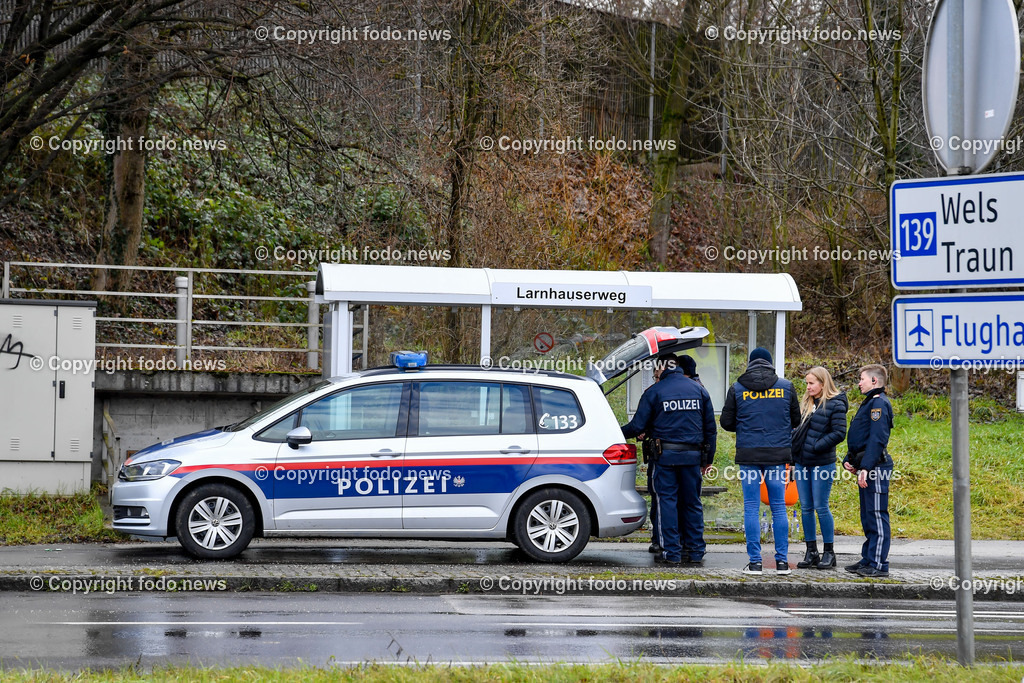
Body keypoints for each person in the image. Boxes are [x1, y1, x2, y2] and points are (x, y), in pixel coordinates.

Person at [622, 354, 716, 565]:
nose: (655, 373)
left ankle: (671, 552)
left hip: (664, 458)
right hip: (692, 458)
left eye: (656, 369)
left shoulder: (655, 391)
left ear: (662, 368)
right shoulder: (699, 390)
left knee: (667, 503)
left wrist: (614, 432)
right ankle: (695, 551)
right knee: (692, 503)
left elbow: (637, 427)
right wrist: (707, 459)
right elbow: (710, 429)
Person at [720, 347, 801, 576]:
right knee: (778, 507)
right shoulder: (785, 387)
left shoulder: (737, 388)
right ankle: (782, 563)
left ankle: (755, 563)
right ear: (770, 363)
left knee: (751, 508)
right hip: (776, 455)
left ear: (750, 363)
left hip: (749, 455)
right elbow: (796, 419)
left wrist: (745, 425)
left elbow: (726, 422)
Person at [792, 366, 848, 570]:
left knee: (821, 507)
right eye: (806, 383)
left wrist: (816, 446)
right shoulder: (807, 403)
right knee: (806, 507)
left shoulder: (836, 404)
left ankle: (829, 553)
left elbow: (840, 433)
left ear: (823, 383)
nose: (807, 387)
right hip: (801, 462)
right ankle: (811, 551)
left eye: (811, 383)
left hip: (822, 462)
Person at [843, 364, 895, 578]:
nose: (859, 382)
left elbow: (877, 439)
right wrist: (850, 459)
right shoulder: (870, 403)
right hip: (867, 465)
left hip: (875, 467)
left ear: (874, 381)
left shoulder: (879, 405)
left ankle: (879, 563)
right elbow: (861, 437)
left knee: (876, 514)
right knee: (867, 516)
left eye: (862, 379)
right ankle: (869, 558)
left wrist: (866, 468)